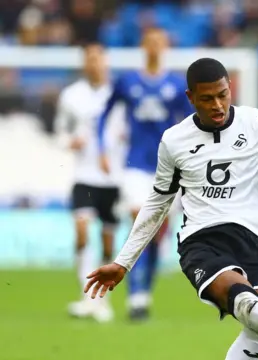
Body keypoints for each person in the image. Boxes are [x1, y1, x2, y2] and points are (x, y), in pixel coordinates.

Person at [85, 57, 258, 358]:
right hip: (202, 242)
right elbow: (157, 204)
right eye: (207, 98)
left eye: (222, 94)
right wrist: (123, 262)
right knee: (245, 301)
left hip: (255, 242)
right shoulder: (174, 141)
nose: (217, 104)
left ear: (230, 89)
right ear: (190, 98)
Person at [96, 27, 193, 321]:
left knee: (157, 234)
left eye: (158, 42)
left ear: (165, 46)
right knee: (140, 222)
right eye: (149, 41)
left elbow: (190, 122)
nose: (153, 46)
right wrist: (103, 148)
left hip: (167, 169)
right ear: (143, 45)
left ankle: (143, 294)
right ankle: (135, 292)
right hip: (135, 167)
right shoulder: (127, 82)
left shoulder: (176, 86)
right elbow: (104, 114)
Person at [55, 43, 125, 323]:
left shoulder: (118, 94)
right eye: (89, 59)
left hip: (112, 177)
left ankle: (102, 301)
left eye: (98, 59)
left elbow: (129, 129)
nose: (94, 64)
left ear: (105, 62)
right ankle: (86, 298)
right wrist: (68, 141)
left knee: (108, 241)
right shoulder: (71, 96)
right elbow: (60, 130)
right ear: (84, 64)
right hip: (83, 175)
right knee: (82, 230)